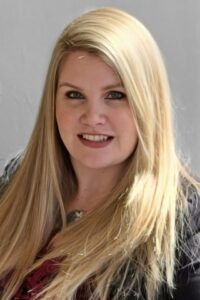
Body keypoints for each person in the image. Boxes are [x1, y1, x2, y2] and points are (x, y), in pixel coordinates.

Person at [0, 6, 200, 300]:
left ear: (148, 103)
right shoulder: (14, 187)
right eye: (74, 95)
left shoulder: (183, 226)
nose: (93, 116)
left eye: (115, 95)